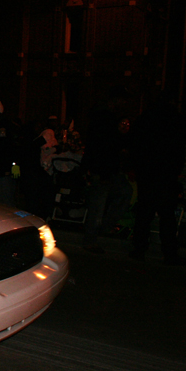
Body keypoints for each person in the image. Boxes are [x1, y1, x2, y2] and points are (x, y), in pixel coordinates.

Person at [128, 92, 186, 264]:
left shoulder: (145, 119)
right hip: (165, 173)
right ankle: (169, 252)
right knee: (167, 214)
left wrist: (136, 167)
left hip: (148, 172)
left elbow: (135, 144)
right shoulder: (174, 121)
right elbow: (178, 148)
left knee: (145, 212)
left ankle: (139, 248)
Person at [80, 88, 134, 253]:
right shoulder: (104, 119)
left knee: (123, 192)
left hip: (108, 168)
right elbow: (101, 146)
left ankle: (103, 227)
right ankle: (92, 237)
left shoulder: (107, 118)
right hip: (103, 168)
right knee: (99, 203)